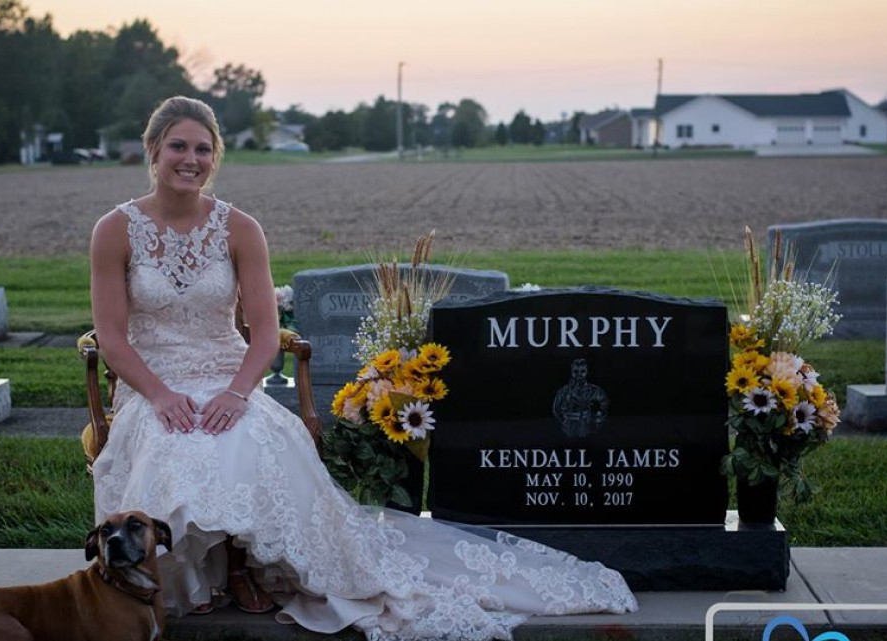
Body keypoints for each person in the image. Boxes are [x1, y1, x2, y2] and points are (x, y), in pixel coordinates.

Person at [89, 95, 637, 640]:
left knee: (244, 434)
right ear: (153, 149)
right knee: (174, 442)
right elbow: (112, 337)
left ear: (216, 156)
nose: (191, 159)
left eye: (203, 149)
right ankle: (192, 574)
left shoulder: (240, 228)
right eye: (178, 146)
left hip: (229, 376)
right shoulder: (114, 230)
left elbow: (264, 335)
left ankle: (242, 566)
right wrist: (160, 395)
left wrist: (236, 394)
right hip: (153, 382)